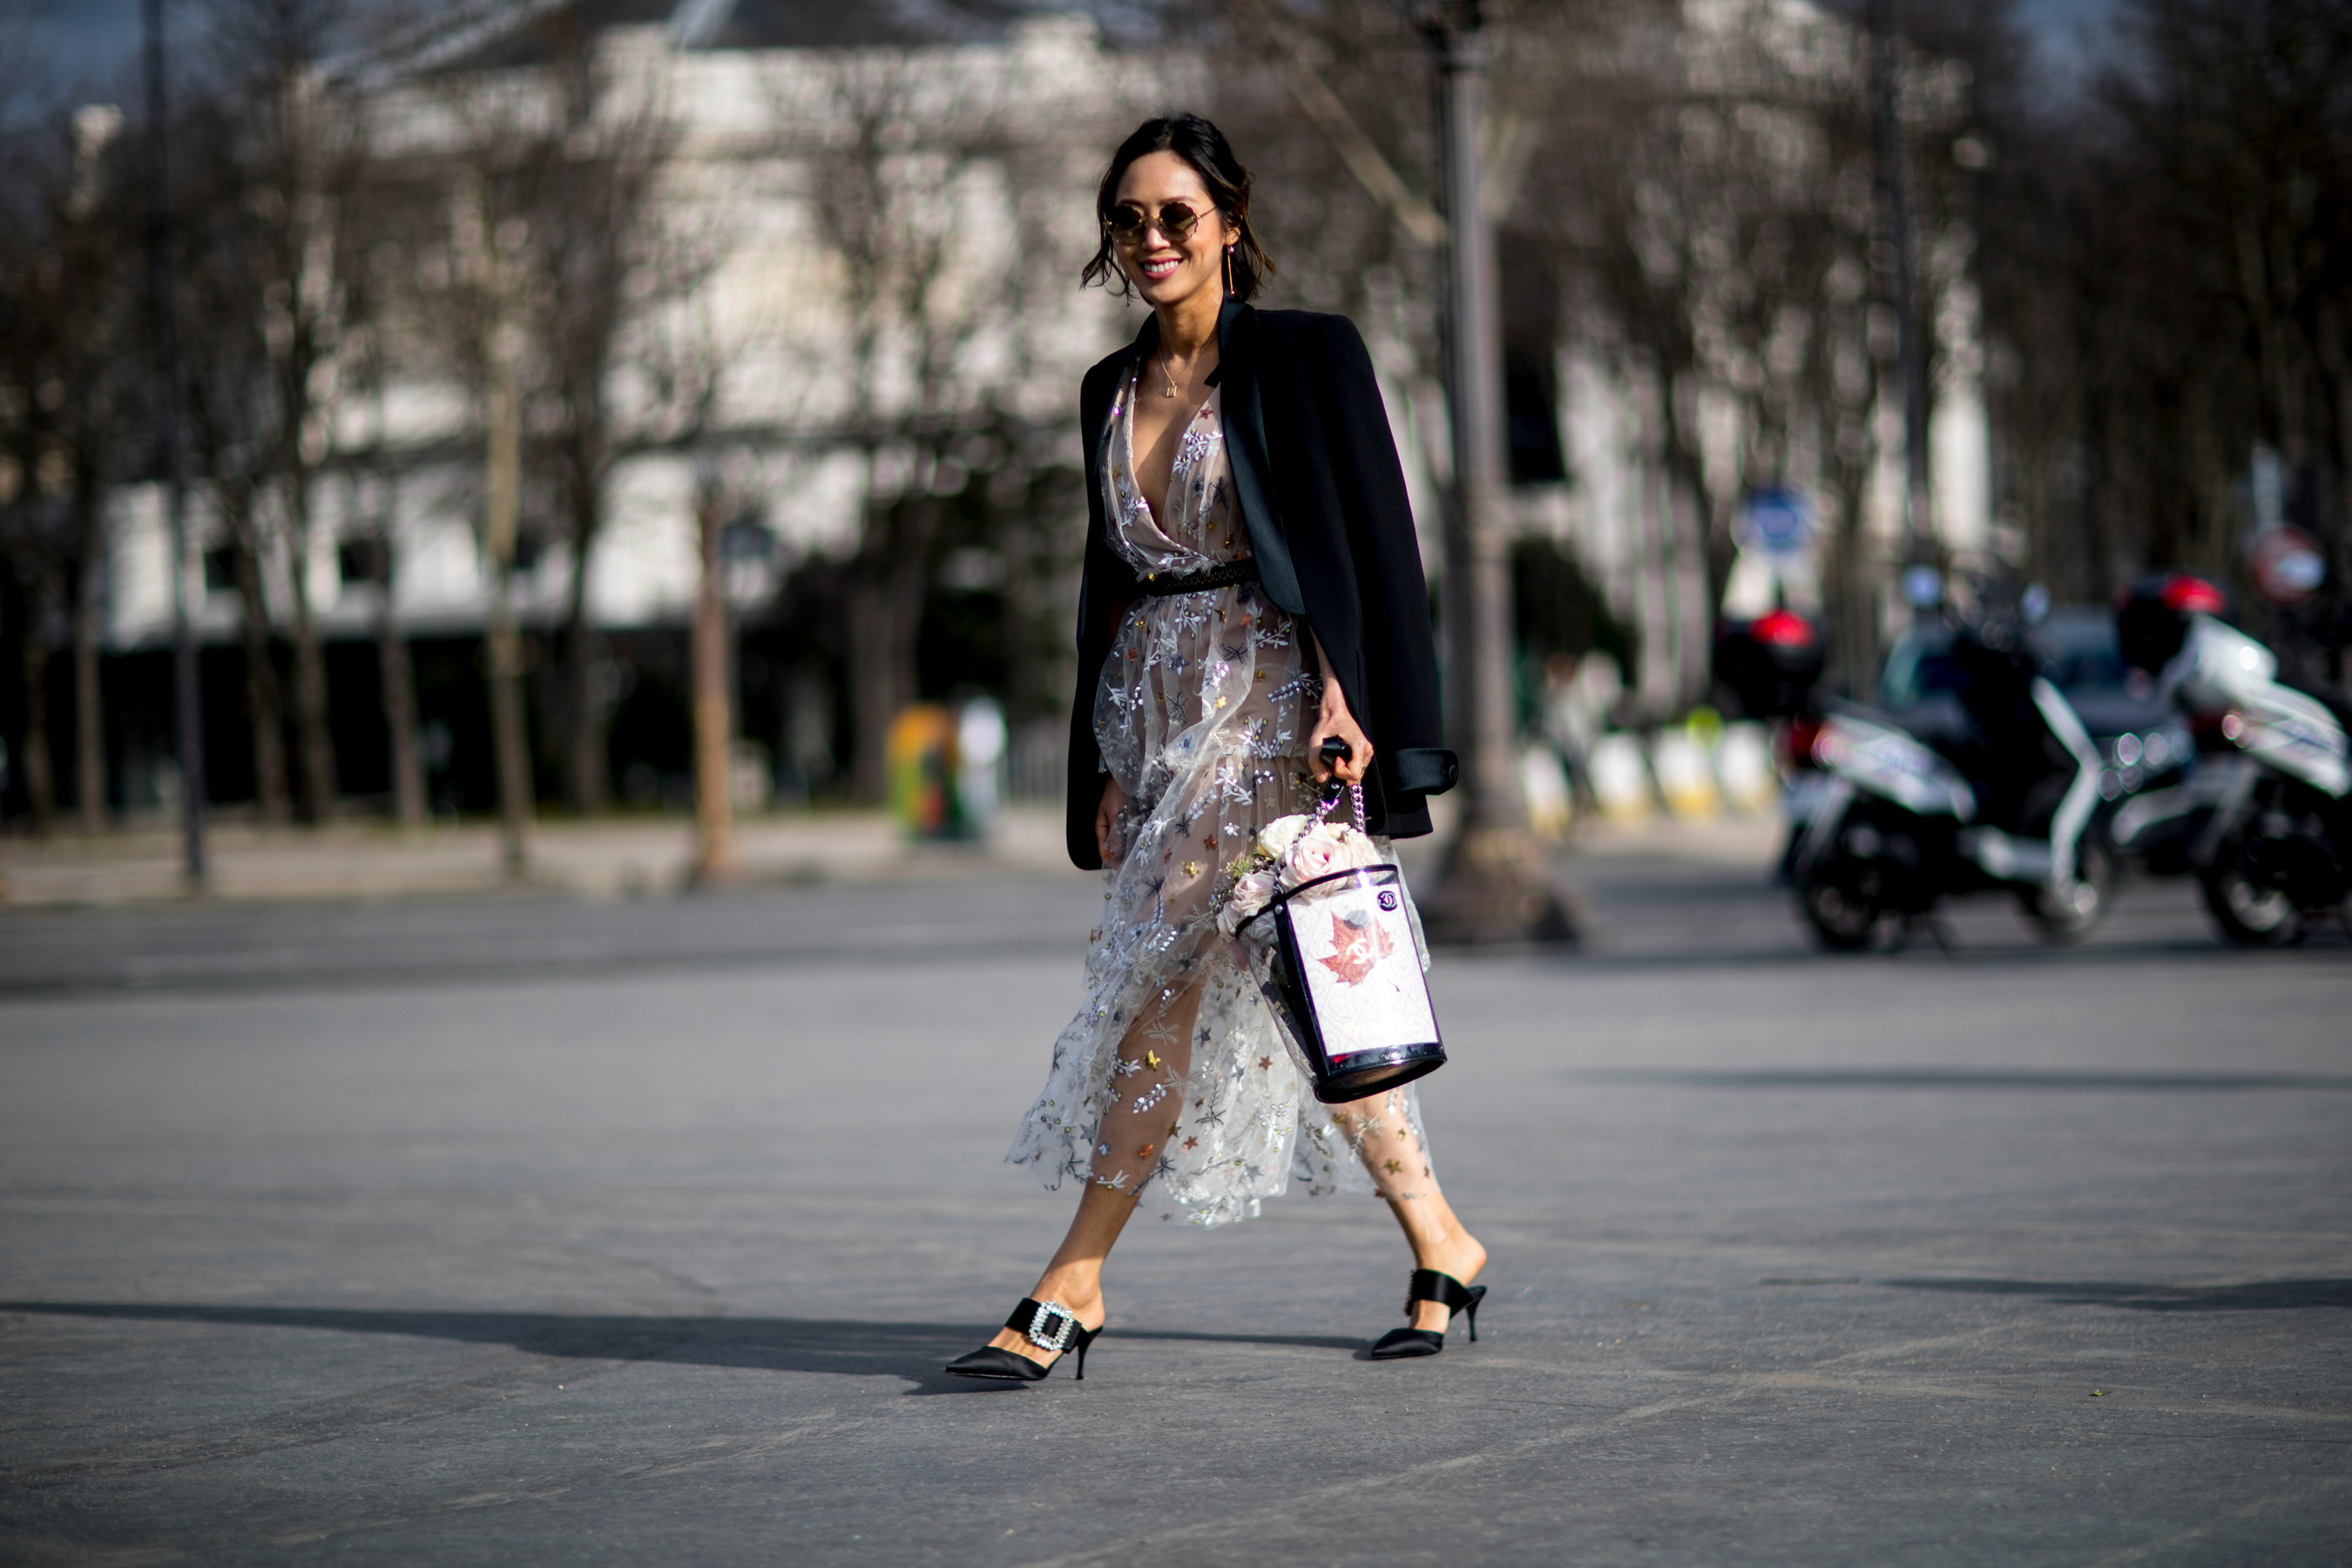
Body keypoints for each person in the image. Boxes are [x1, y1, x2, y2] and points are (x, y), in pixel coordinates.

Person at [944, 115, 1485, 1382]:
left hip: (1276, 710)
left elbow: (1376, 544)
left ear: (1230, 225)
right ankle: (1444, 1240)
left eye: (1175, 215)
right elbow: (1106, 588)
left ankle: (1072, 1282)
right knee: (1300, 994)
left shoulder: (1307, 358)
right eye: (1127, 220)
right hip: (1158, 712)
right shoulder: (1107, 387)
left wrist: (1358, 701)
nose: (1150, 240)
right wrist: (1103, 763)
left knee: (1167, 990)